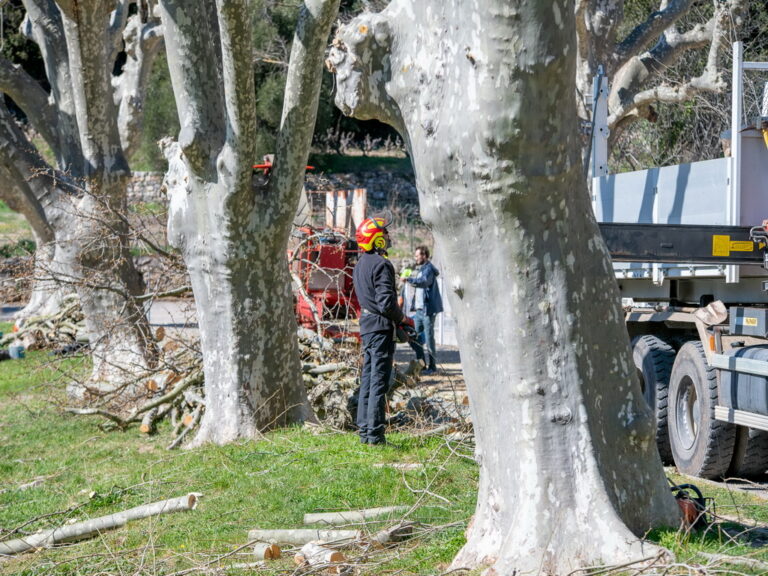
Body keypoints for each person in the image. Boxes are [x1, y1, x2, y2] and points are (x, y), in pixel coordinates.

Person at [353, 217, 413, 445]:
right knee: (378, 380)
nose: (388, 236)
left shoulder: (361, 264)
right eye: (385, 233)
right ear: (377, 239)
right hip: (379, 328)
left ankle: (365, 433)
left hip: (368, 327)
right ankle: (376, 436)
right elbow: (387, 303)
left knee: (367, 379)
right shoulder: (381, 264)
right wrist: (404, 319)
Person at [401, 246, 443, 374]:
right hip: (419, 310)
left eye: (417, 255)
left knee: (429, 338)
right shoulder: (421, 269)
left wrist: (408, 280)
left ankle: (432, 367)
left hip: (427, 310)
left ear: (424, 256)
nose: (415, 258)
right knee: (415, 337)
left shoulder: (428, 269)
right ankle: (422, 364)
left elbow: (424, 282)